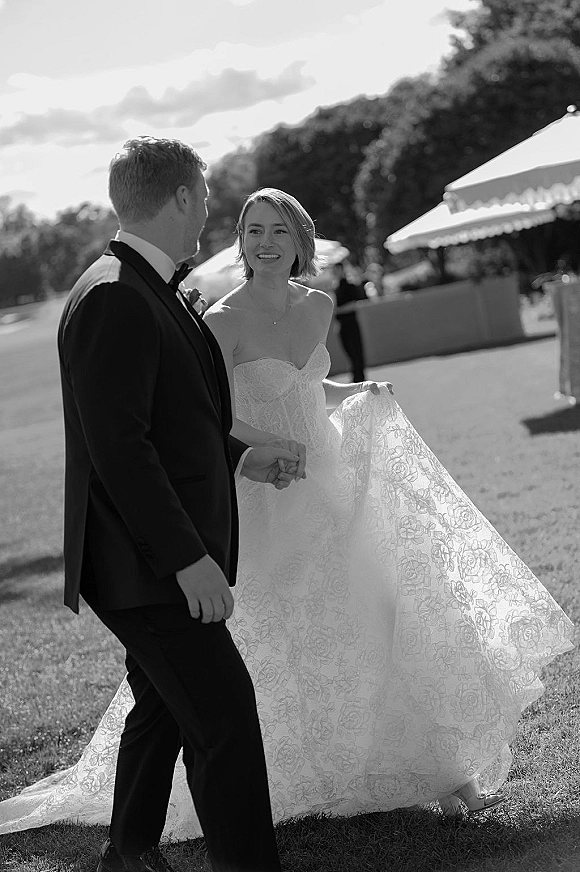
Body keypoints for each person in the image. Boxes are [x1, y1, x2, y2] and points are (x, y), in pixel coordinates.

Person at [0, 189, 574, 840]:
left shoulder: (318, 304)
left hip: (329, 484)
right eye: (251, 231)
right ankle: (273, 776)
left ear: (301, 241)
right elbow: (205, 413)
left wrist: (357, 391)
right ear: (239, 244)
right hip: (264, 497)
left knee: (379, 615)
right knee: (275, 634)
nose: (263, 242)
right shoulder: (220, 318)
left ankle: (442, 769)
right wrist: (259, 445)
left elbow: (306, 384)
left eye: (276, 230)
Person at [52, 143, 306, 872]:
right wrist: (188, 560)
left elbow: (176, 420)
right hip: (148, 567)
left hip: (153, 559)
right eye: (201, 194)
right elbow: (120, 451)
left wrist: (240, 456)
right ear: (180, 200)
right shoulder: (114, 295)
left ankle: (128, 854)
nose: (206, 208)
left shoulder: (148, 284)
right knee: (224, 716)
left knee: (165, 705)